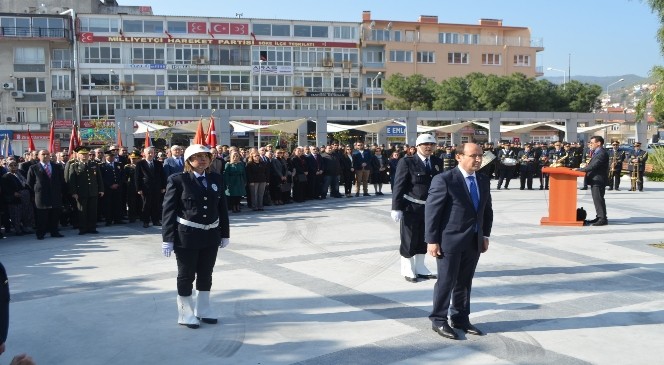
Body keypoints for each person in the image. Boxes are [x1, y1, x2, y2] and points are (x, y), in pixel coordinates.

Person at [425, 142, 493, 340]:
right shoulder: (444, 179)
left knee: (465, 282)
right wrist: (432, 240)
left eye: (480, 155)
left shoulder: (482, 179)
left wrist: (485, 235)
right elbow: (432, 212)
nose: (478, 159)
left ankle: (461, 318)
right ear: (459, 157)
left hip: (474, 239)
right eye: (474, 155)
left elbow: (486, 210)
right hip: (449, 240)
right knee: (446, 281)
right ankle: (438, 319)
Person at [161, 144, 230, 329]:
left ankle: (203, 310)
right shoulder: (178, 180)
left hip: (210, 236)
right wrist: (167, 238)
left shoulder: (216, 178)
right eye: (197, 157)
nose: (202, 160)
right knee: (186, 275)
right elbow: (168, 211)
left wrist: (225, 233)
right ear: (189, 161)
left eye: (205, 156)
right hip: (187, 236)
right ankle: (185, 313)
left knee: (206, 274)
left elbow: (222, 208)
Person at [391, 134, 444, 283]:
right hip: (411, 206)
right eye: (425, 144)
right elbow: (399, 185)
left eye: (431, 145)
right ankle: (407, 268)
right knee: (409, 238)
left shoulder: (437, 162)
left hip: (430, 207)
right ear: (417, 146)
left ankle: (420, 267)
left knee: (424, 238)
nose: (429, 147)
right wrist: (396, 207)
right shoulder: (407, 162)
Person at [27, 150, 66, 240]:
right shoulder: (33, 168)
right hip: (41, 196)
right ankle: (41, 233)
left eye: (47, 154)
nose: (45, 156)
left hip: (55, 195)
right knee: (42, 216)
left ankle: (54, 232)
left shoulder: (57, 167)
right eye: (43, 154)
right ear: (39, 156)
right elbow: (29, 183)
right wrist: (34, 194)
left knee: (55, 214)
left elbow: (61, 181)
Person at [68, 147, 104, 235]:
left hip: (93, 191)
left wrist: (101, 189)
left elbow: (99, 178)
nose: (85, 156)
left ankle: (92, 228)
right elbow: (72, 181)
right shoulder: (74, 165)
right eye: (82, 154)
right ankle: (83, 228)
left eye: (86, 154)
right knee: (82, 211)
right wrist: (74, 192)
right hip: (81, 192)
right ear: (78, 155)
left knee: (93, 211)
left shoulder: (94, 164)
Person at [575, 136, 609, 226]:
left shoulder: (601, 153)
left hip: (598, 179)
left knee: (598, 199)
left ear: (599, 143)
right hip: (595, 179)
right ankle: (600, 217)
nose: (591, 144)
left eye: (592, 143)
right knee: (597, 199)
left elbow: (593, 166)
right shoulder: (597, 152)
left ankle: (602, 219)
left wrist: (579, 170)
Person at [135, 147, 166, 228]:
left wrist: (163, 187)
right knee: (146, 205)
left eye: (152, 153)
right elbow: (137, 177)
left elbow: (162, 176)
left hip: (157, 187)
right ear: (144, 154)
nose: (151, 154)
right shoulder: (140, 164)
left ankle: (156, 220)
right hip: (145, 188)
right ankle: (146, 221)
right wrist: (139, 189)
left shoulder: (158, 163)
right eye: (149, 153)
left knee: (156, 204)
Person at [1, 161, 34, 235]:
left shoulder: (21, 173)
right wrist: (13, 193)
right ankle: (18, 230)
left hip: (25, 196)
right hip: (15, 198)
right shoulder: (5, 176)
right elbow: (5, 188)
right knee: (16, 215)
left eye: (15, 165)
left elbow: (27, 184)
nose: (13, 167)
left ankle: (27, 228)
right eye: (11, 165)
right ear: (8, 166)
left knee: (27, 213)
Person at [100, 150, 126, 225]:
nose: (112, 158)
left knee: (118, 204)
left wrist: (118, 184)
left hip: (118, 188)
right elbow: (102, 178)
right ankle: (109, 220)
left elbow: (122, 176)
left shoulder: (119, 165)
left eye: (113, 156)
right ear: (105, 157)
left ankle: (118, 219)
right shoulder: (102, 166)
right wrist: (110, 185)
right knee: (108, 205)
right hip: (108, 189)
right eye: (110, 156)